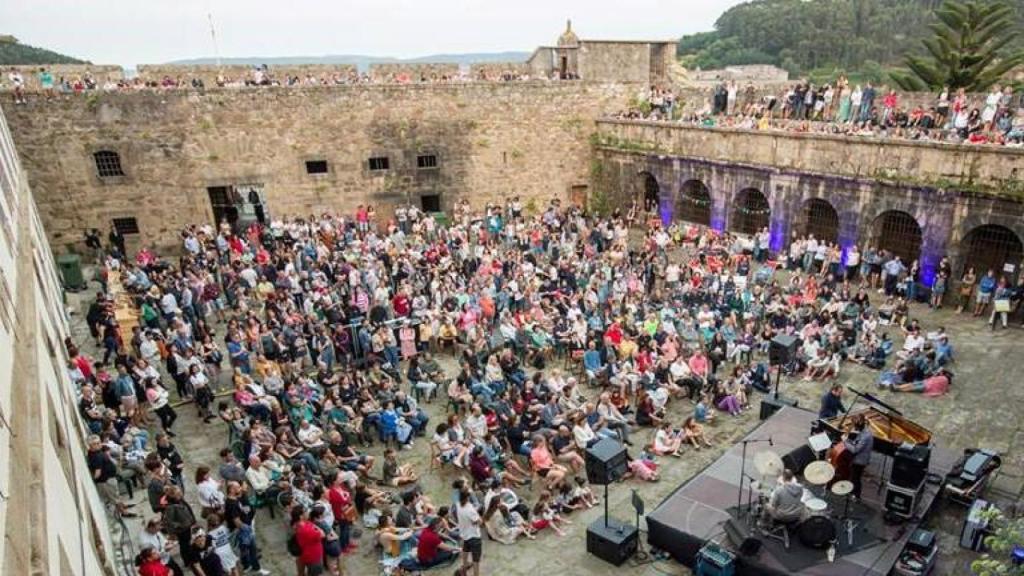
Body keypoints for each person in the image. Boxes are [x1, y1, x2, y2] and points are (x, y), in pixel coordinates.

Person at [843, 415, 874, 499]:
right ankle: (852, 493)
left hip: (860, 460)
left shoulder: (865, 436)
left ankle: (856, 496)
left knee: (855, 478)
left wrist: (845, 442)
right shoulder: (864, 431)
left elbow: (855, 450)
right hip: (859, 458)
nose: (855, 429)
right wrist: (848, 440)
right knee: (854, 477)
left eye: (856, 427)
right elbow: (856, 442)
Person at [455, 488, 483, 576]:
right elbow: (480, 522)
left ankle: (464, 568)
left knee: (465, 550)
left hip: (464, 534)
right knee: (476, 559)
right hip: (474, 535)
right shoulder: (470, 509)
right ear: (468, 497)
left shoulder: (458, 504)